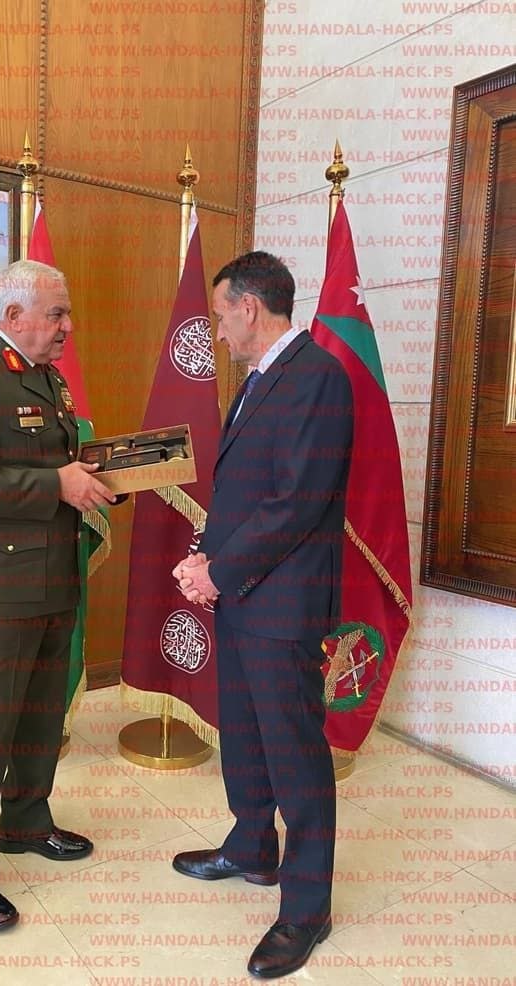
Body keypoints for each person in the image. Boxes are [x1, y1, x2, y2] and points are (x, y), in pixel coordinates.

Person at [171, 251, 353, 979]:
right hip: (243, 593)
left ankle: (307, 908)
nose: (217, 331)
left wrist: (219, 571)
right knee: (243, 732)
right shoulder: (256, 381)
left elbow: (297, 503)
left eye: (221, 315)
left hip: (283, 604)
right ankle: (252, 845)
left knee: (294, 753)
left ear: (249, 307)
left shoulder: (318, 377)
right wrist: (204, 557)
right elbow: (244, 493)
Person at [0, 259, 116, 933]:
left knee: (40, 715)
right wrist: (56, 485)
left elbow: (51, 464)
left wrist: (97, 476)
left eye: (66, 313)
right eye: (57, 313)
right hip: (2, 585)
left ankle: (26, 822)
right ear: (13, 316)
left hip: (55, 575)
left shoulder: (49, 379)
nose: (68, 326)